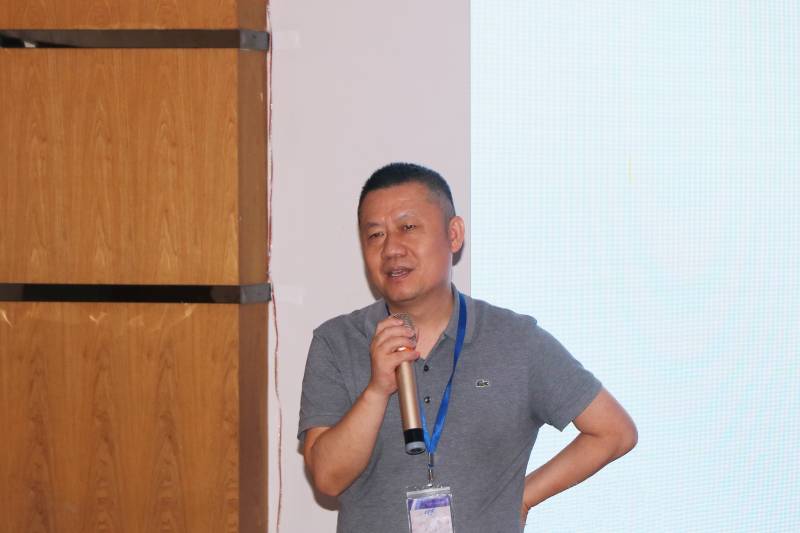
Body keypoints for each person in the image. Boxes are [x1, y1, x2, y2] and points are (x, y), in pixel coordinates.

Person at [298, 162, 637, 532]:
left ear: (454, 234)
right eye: (375, 235)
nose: (391, 248)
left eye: (408, 228)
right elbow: (328, 479)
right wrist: (377, 390)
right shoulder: (337, 342)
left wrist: (524, 496)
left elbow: (614, 432)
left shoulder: (514, 339)